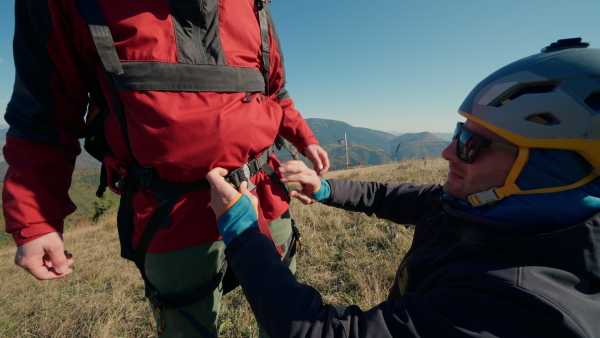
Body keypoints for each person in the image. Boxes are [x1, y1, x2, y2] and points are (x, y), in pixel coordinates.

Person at [206, 37, 600, 337]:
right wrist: (323, 189)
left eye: (471, 144)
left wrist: (241, 231)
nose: (448, 151)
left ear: (549, 170)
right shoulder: (488, 209)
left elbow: (315, 331)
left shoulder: (524, 306)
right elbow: (391, 197)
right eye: (459, 132)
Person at [4, 0, 329, 336]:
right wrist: (36, 219)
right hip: (171, 214)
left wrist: (306, 140)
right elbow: (43, 113)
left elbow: (274, 90)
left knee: (286, 319)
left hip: (263, 195)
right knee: (186, 327)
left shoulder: (254, 4)